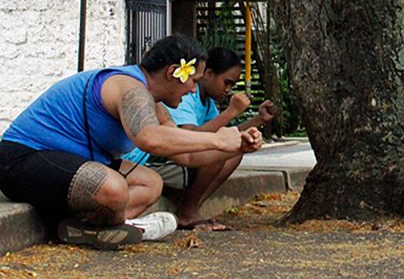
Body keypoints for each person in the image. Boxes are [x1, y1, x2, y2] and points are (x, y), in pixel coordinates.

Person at [0, 35, 263, 250]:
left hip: (72, 162)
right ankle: (124, 226)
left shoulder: (154, 102)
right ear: (174, 72)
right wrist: (217, 138)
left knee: (150, 183)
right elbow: (149, 138)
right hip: (23, 158)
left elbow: (188, 157)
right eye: (193, 81)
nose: (193, 90)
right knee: (113, 189)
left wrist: (235, 146)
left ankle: (85, 229)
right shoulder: (130, 87)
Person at [123, 47, 275, 231]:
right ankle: (187, 212)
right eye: (193, 80)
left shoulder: (198, 104)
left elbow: (208, 142)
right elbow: (192, 138)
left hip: (158, 161)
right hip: (139, 163)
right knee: (218, 151)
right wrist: (231, 113)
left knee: (227, 151)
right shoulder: (173, 96)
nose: (192, 89)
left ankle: (189, 210)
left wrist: (254, 125)